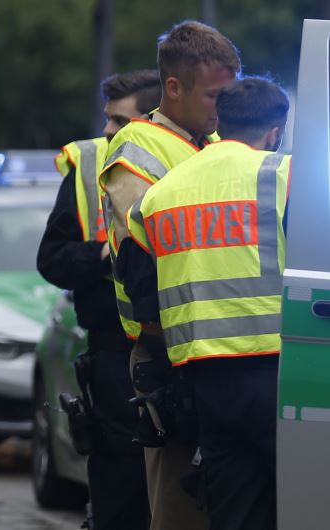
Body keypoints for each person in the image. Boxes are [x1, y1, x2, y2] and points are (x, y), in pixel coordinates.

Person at [125, 76, 289, 530]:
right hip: (280, 373)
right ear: (275, 132)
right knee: (302, 501)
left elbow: (138, 284)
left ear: (221, 121)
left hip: (204, 382)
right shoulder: (285, 176)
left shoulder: (161, 194)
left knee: (234, 511)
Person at [98, 20, 241, 530]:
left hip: (219, 353)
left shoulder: (217, 140)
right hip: (166, 350)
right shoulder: (138, 147)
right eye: (213, 95)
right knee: (180, 512)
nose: (221, 108)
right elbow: (144, 258)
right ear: (174, 87)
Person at [37, 69, 161, 530]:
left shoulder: (195, 155)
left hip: (181, 353)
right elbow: (51, 258)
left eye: (118, 120)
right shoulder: (89, 164)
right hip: (113, 356)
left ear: (150, 120)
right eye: (106, 118)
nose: (107, 130)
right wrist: (104, 254)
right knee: (120, 490)